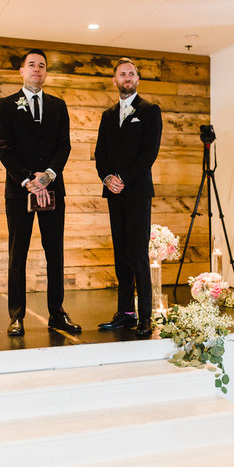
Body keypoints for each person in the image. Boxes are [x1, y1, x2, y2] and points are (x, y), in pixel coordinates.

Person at [0, 48, 81, 336]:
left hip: (52, 189)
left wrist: (48, 176)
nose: (37, 69)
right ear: (22, 71)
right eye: (31, 64)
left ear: (45, 72)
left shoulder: (58, 105)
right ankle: (16, 315)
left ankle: (57, 313)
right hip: (19, 191)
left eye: (41, 65)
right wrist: (27, 180)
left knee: (54, 252)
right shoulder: (6, 105)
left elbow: (64, 145)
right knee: (17, 253)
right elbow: (4, 147)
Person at [95, 57, 162, 338]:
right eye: (122, 74)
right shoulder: (108, 115)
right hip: (114, 192)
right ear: (115, 80)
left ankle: (145, 316)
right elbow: (100, 153)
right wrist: (107, 178)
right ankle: (125, 313)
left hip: (136, 191)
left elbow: (149, 153)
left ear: (137, 79)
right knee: (120, 253)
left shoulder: (149, 110)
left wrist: (123, 178)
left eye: (131, 74)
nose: (127, 78)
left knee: (137, 254)